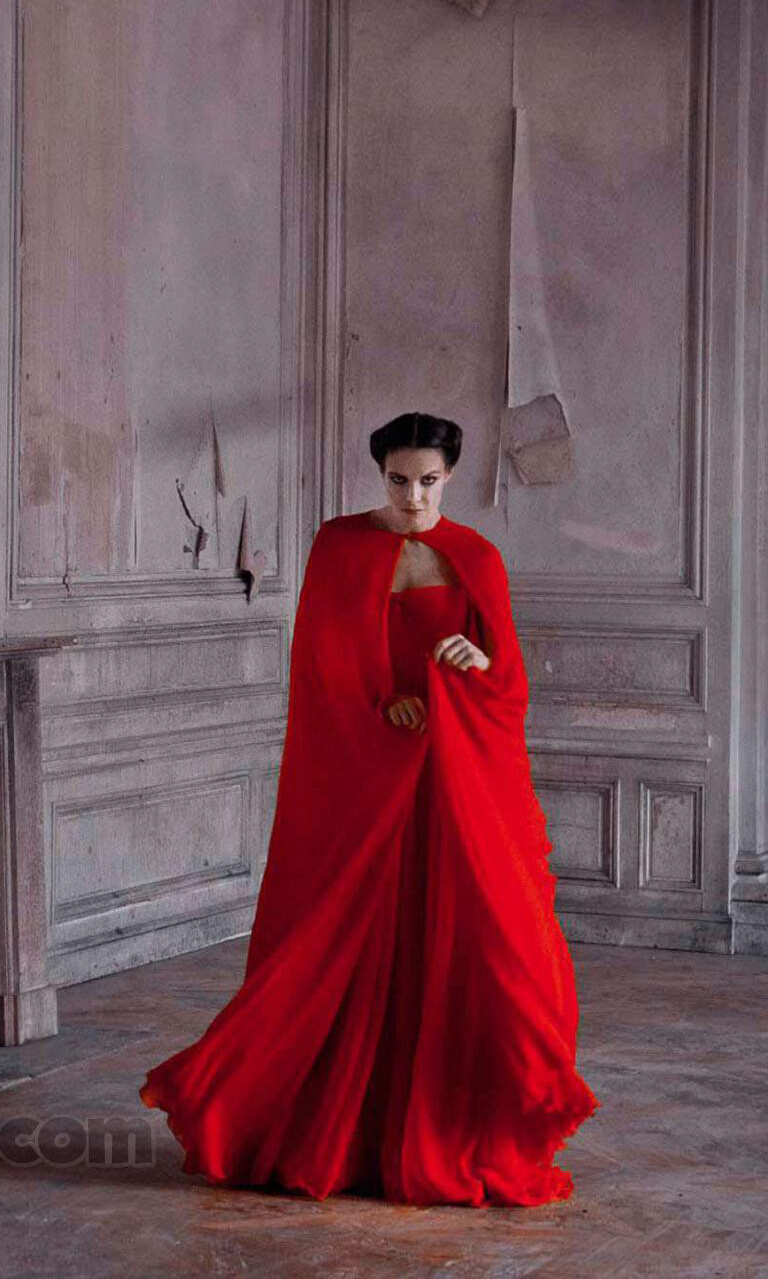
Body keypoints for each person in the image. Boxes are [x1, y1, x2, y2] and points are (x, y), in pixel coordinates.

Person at [139, 411, 598, 1206]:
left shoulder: (476, 557)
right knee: (339, 936)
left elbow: (509, 683)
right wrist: (384, 701)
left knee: (488, 935)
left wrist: (476, 663)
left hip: (454, 777)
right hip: (366, 775)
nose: (413, 497)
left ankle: (453, 1126)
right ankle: (322, 1127)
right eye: (398, 480)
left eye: (429, 481)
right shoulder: (340, 544)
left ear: (450, 477)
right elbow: (320, 664)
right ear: (379, 473)